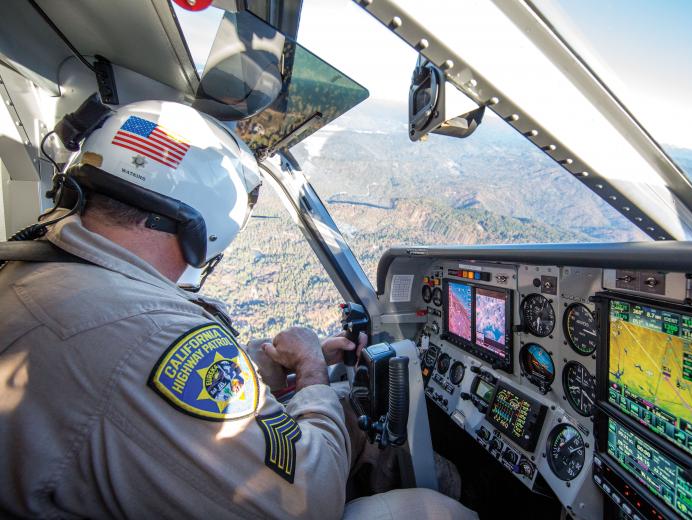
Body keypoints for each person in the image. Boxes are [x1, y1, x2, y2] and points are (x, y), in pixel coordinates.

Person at [0, 100, 475, 519]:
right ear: (211, 222)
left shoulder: (52, 272)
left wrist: (267, 366)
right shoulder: (140, 332)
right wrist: (310, 368)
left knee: (348, 406)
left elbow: (152, 392)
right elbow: (307, 504)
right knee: (435, 511)